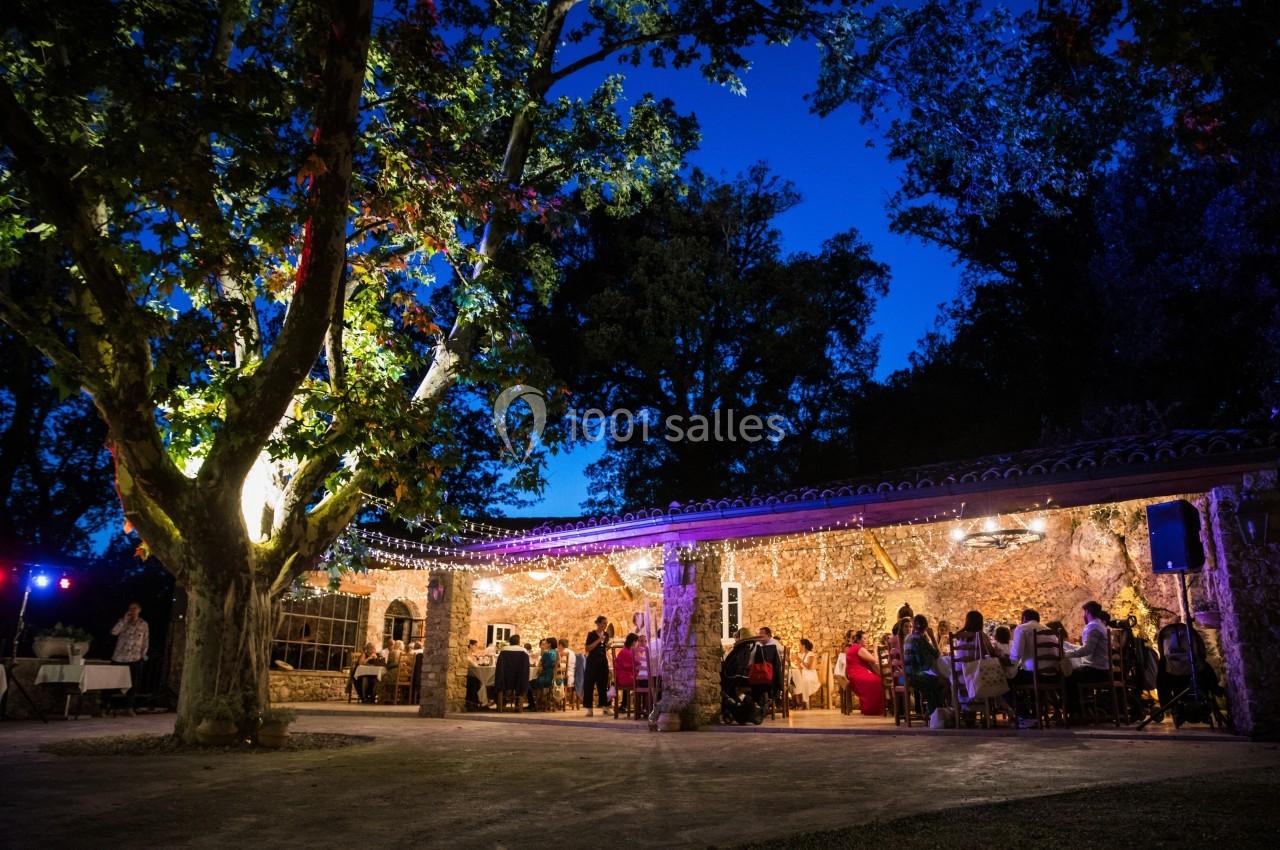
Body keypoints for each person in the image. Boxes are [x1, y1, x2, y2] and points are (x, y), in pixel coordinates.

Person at [1065, 601, 1112, 717]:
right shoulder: (1100, 626)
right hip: (1102, 670)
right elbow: (1088, 648)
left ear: (1087, 612)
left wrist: (1066, 654)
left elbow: (1087, 650)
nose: (1083, 616)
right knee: (1074, 674)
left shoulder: (1093, 627)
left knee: (1067, 677)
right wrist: (1069, 648)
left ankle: (1075, 713)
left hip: (1096, 671)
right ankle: (1083, 710)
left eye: (1084, 613)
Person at [903, 614, 945, 716]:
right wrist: (932, 637)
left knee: (936, 678)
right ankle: (936, 713)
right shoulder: (920, 639)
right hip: (916, 676)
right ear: (926, 627)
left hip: (906, 676)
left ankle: (934, 711)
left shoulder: (908, 638)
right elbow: (936, 655)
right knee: (941, 681)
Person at [111, 602, 149, 710]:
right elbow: (114, 632)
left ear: (139, 610)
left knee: (133, 683)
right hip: (120, 657)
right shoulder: (123, 622)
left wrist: (143, 653)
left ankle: (129, 707)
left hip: (135, 657)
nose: (132, 610)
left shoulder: (143, 624)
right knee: (113, 681)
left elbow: (145, 639)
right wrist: (124, 621)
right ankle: (107, 705)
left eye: (135, 608)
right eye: (130, 608)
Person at [844, 631, 884, 716]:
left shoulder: (854, 647)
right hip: (858, 674)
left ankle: (869, 707)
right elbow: (875, 660)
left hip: (853, 675)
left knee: (877, 678)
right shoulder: (859, 648)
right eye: (864, 639)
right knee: (878, 681)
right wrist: (875, 649)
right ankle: (873, 709)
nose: (867, 640)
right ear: (858, 640)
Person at [583, 615, 611, 717]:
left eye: (606, 624)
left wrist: (607, 646)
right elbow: (587, 648)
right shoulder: (591, 634)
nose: (605, 625)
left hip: (603, 662)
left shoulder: (607, 635)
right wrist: (599, 640)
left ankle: (605, 707)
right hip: (592, 662)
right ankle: (589, 709)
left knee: (603, 685)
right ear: (598, 623)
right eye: (603, 623)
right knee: (589, 684)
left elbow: (604, 648)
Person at [755, 627, 785, 707]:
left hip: (774, 672)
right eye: (759, 634)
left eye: (762, 634)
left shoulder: (775, 643)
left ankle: (773, 699)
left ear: (768, 635)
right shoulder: (758, 644)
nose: (759, 636)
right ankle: (759, 704)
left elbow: (782, 651)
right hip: (761, 671)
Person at [528, 637, 558, 709]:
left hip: (545, 677)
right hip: (552, 677)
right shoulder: (556, 652)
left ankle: (537, 703)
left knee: (530, 682)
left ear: (549, 644)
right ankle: (542, 701)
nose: (545, 645)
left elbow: (540, 665)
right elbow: (556, 665)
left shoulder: (546, 652)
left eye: (546, 643)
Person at [613, 633, 638, 715]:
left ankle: (625, 705)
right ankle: (641, 708)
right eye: (636, 641)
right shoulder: (625, 652)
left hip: (625, 675)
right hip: (624, 677)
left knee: (642, 681)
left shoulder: (627, 651)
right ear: (633, 642)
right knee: (643, 683)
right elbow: (630, 665)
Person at [792, 638, 820, 709]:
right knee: (795, 681)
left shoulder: (811, 654)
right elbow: (801, 667)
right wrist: (797, 662)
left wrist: (800, 660)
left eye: (800, 645)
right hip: (804, 673)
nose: (799, 646)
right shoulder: (803, 654)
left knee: (803, 682)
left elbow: (809, 667)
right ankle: (798, 703)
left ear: (803, 646)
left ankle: (803, 703)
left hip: (810, 675)